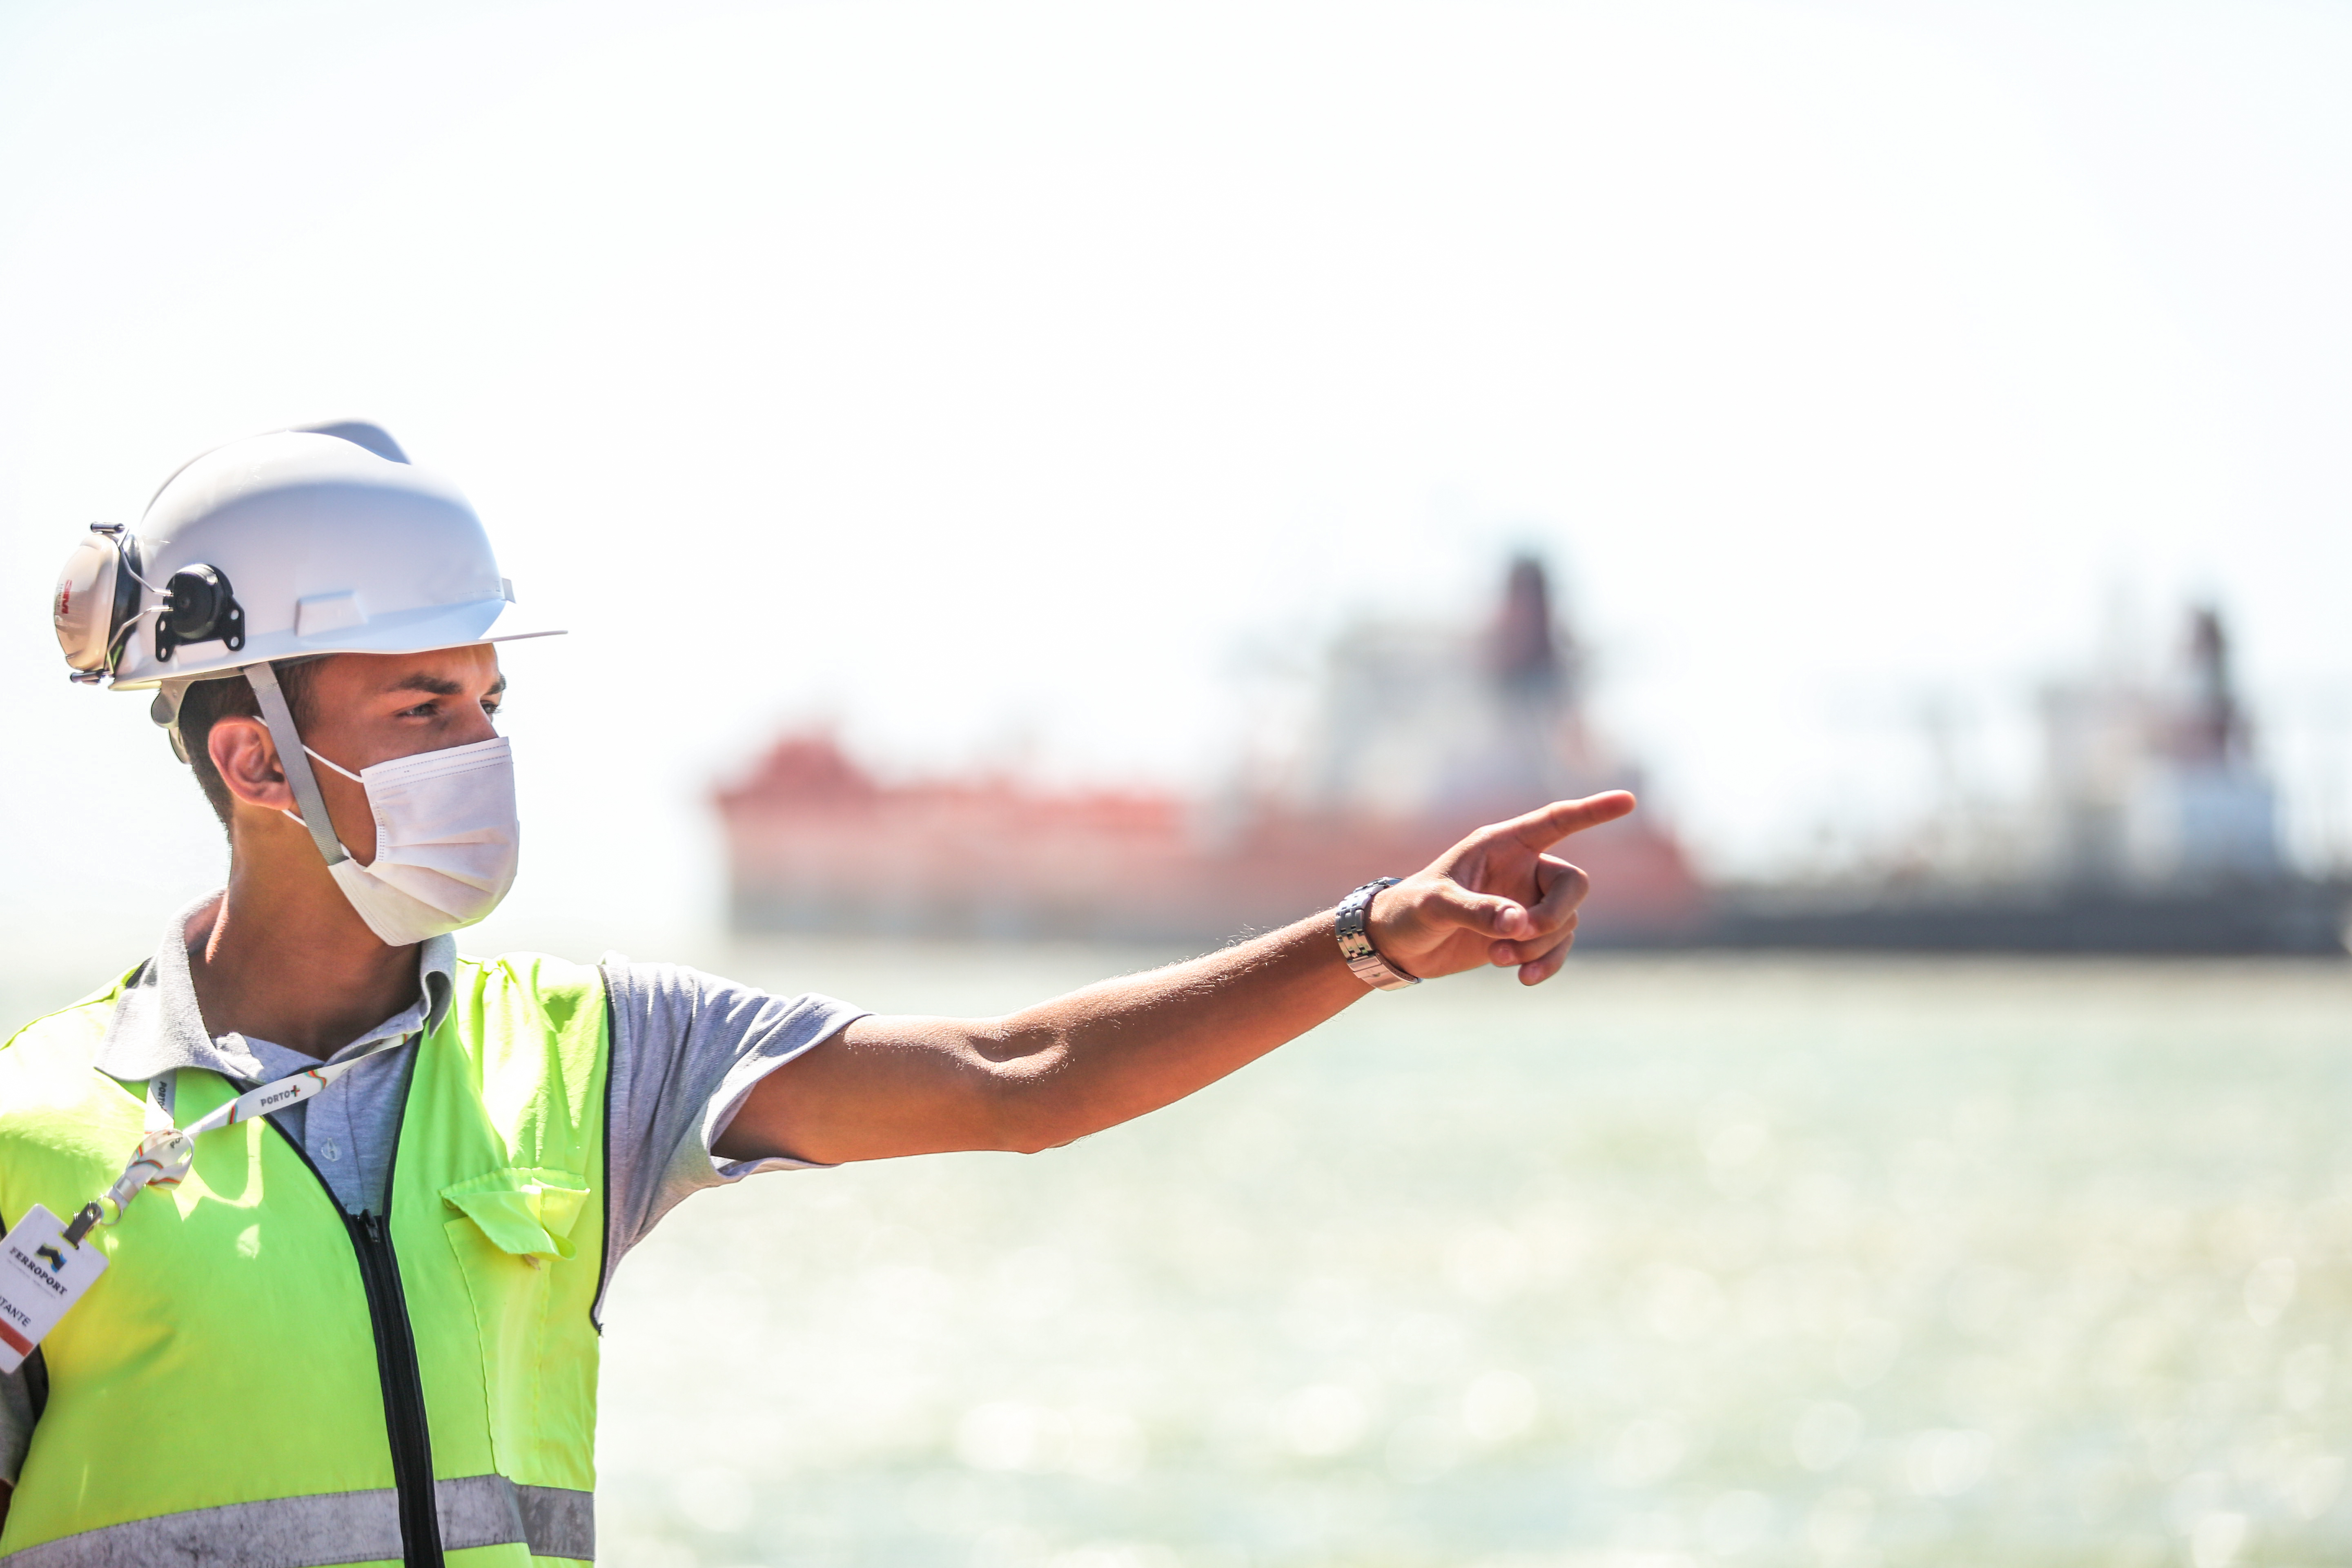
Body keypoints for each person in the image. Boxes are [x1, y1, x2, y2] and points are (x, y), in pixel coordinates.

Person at [1, 423, 1635, 1568]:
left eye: (492, 698)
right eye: (427, 702)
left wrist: (1365, 939)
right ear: (252, 762)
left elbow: (1022, 1074)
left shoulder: (590, 1053)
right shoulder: (32, 1135)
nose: (484, 746)